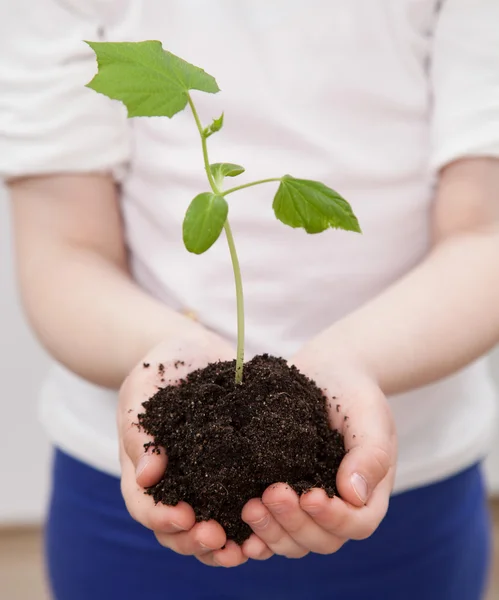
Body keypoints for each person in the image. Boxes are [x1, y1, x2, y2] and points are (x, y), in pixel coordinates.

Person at [1, 0, 499, 598]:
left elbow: (485, 232)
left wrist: (354, 360)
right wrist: (161, 351)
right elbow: (66, 250)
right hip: (128, 486)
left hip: (413, 481)